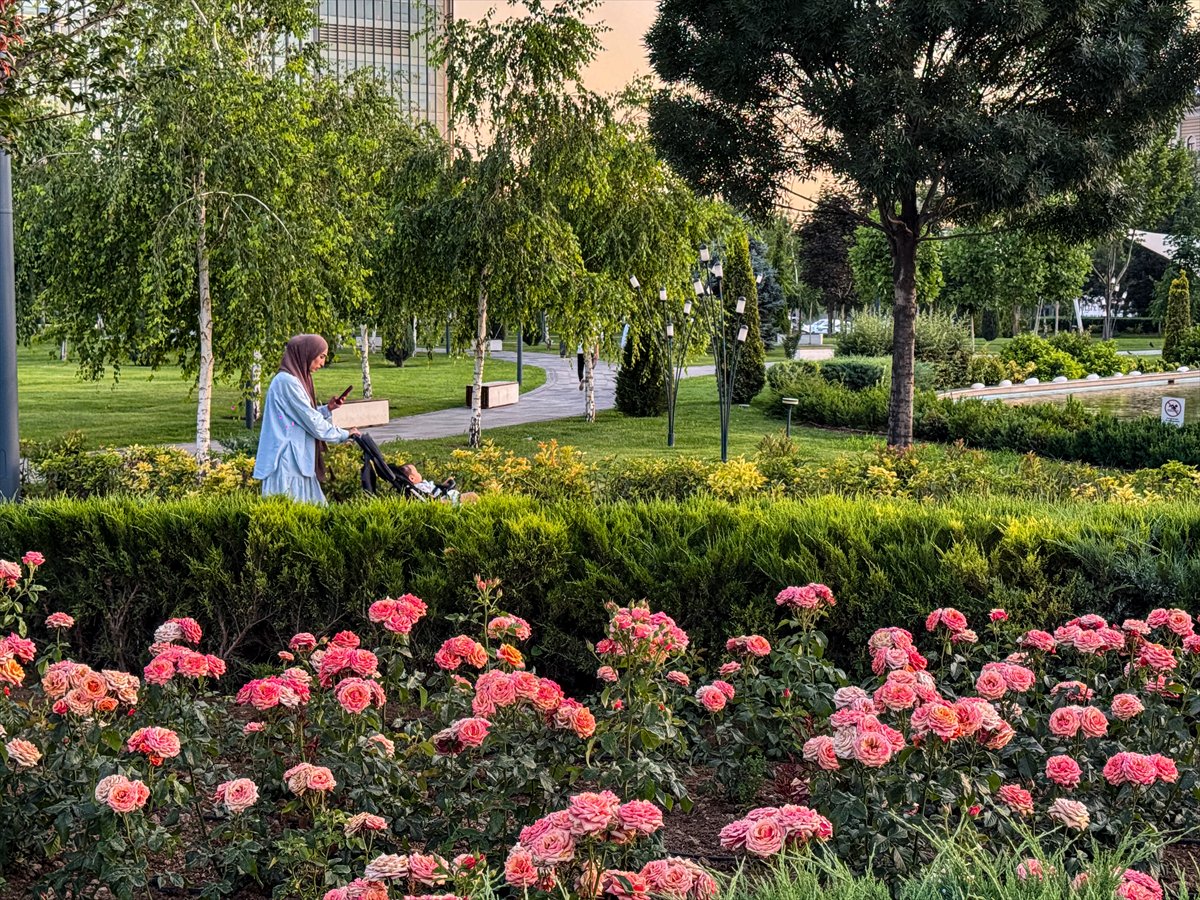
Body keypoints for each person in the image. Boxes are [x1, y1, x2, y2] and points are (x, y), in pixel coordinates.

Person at [253, 334, 357, 504]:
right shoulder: (287, 382)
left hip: (297, 462)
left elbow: (299, 416)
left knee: (310, 515)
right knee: (294, 514)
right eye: (321, 356)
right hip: (288, 463)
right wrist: (345, 434)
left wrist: (327, 409)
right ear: (306, 353)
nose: (322, 363)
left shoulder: (293, 380)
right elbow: (312, 422)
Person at [398, 464, 479, 504]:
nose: (419, 473)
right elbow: (430, 497)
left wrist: (445, 484)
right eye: (417, 472)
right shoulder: (419, 487)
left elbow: (434, 489)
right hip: (442, 500)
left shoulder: (418, 486)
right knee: (472, 495)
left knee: (470, 499)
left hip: (442, 495)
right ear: (412, 478)